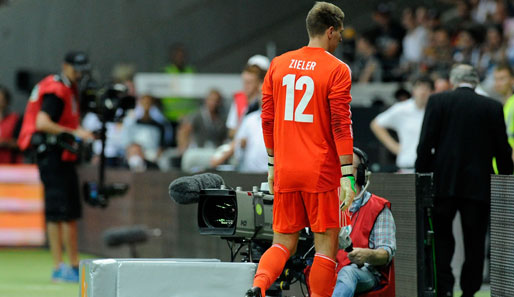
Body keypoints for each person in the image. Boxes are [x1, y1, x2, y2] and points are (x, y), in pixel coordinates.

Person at [246, 2, 355, 296]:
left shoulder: (278, 64)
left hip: (285, 169)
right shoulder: (337, 69)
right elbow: (340, 126)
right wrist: (348, 175)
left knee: (281, 242)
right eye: (340, 33)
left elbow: (266, 119)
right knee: (325, 248)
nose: (341, 38)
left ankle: (259, 285)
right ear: (330, 31)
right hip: (320, 172)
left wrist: (272, 164)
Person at [416, 64, 513, 297]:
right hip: (479, 186)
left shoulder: (438, 102)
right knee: (475, 241)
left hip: (442, 184)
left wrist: (424, 177)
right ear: (476, 81)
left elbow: (424, 145)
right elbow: (502, 150)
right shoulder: (492, 106)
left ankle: (445, 288)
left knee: (440, 239)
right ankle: (470, 291)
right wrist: (506, 177)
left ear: (452, 80)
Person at [17, 51, 94, 282]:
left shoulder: (69, 89)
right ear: (65, 66)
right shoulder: (57, 89)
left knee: (69, 212)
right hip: (52, 155)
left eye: (82, 68)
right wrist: (74, 133)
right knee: (57, 212)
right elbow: (42, 122)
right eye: (75, 68)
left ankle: (72, 264)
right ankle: (58, 267)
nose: (79, 73)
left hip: (64, 156)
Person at [332, 147, 396, 297]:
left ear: (361, 174)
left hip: (363, 272)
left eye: (347, 166)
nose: (341, 172)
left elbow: (386, 253)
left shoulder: (378, 207)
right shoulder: (324, 205)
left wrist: (367, 255)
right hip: (329, 268)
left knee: (348, 272)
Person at [370, 76, 434, 172]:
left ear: (432, 92)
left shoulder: (436, 110)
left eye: (426, 88)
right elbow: (376, 124)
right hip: (407, 165)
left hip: (430, 166)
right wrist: (394, 147)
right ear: (413, 90)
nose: (423, 92)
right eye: (420, 87)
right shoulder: (402, 109)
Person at [0, 86, 21, 163]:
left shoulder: (15, 119)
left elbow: (21, 143)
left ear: (7, 101)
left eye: (1, 99)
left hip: (10, 165)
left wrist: (4, 143)